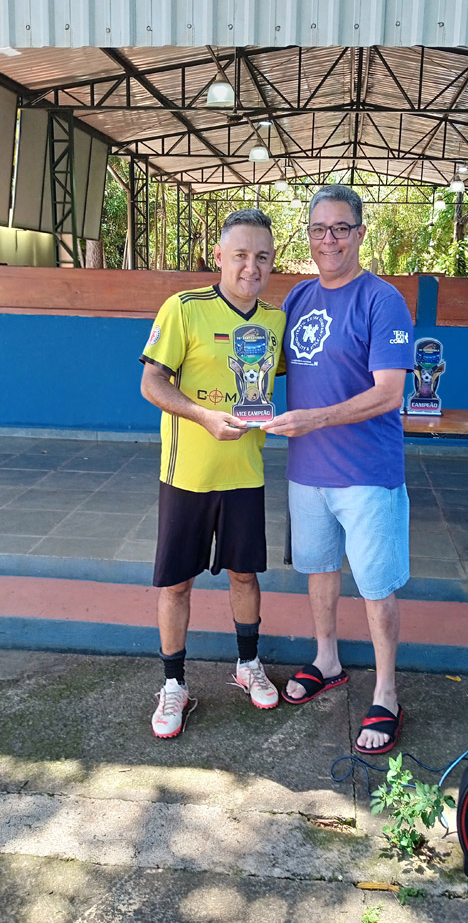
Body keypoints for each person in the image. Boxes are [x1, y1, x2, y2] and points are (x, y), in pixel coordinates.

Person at [261, 184, 414, 755]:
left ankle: (387, 692)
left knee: (375, 586)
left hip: (366, 473)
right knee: (320, 569)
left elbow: (390, 392)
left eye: (341, 228)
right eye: (318, 229)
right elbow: (264, 362)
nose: (329, 240)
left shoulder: (382, 300)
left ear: (360, 233)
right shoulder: (299, 297)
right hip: (308, 470)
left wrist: (316, 418)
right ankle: (327, 660)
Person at [140, 208, 285, 738]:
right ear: (219, 256)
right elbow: (152, 384)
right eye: (241, 255)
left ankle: (248, 664)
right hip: (188, 476)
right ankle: (173, 684)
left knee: (245, 575)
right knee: (177, 582)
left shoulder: (275, 321)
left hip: (245, 473)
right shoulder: (184, 308)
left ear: (272, 262)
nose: (251, 266)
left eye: (262, 257)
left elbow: (298, 375)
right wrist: (203, 416)